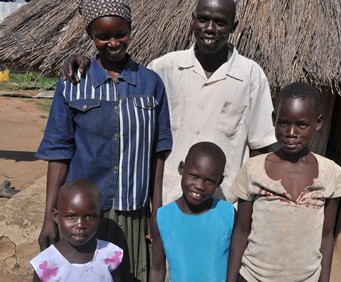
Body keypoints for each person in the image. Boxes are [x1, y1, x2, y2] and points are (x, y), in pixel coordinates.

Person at [61, 0, 276, 207]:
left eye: (220, 22)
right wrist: (87, 61)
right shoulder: (162, 70)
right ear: (193, 20)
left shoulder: (251, 76)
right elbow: (118, 82)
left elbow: (260, 147)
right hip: (166, 200)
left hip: (224, 204)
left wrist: (247, 205)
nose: (210, 28)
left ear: (234, 26)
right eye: (203, 19)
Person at [36, 1, 172, 281]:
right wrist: (49, 216)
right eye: (103, 37)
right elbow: (59, 151)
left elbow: (158, 152)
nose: (113, 43)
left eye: (120, 33)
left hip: (132, 212)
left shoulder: (151, 83)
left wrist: (155, 211)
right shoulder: (73, 83)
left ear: (130, 30)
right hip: (82, 217)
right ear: (90, 36)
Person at [227, 82, 341, 282]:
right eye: (283, 122)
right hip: (253, 277)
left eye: (302, 125)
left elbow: (327, 236)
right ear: (274, 119)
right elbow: (242, 230)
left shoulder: (331, 173)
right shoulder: (253, 169)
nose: (291, 132)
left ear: (318, 123)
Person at [150, 142, 235, 282]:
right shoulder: (163, 218)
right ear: (181, 168)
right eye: (195, 176)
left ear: (219, 182)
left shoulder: (228, 214)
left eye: (209, 181)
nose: (199, 186)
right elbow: (157, 269)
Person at [30, 179, 123, 282]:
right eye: (71, 216)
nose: (80, 225)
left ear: (100, 217)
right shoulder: (45, 263)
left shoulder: (110, 254)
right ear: (56, 216)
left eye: (89, 216)